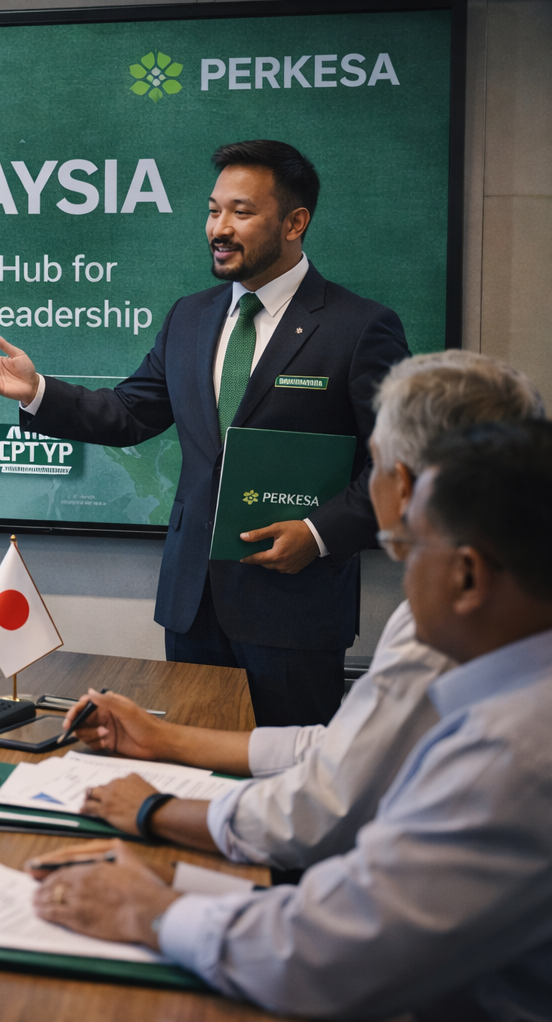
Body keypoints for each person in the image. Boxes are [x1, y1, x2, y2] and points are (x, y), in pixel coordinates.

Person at [29, 419, 552, 1021]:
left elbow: (326, 954)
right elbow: (338, 756)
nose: (403, 572)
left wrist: (144, 908)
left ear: (467, 577)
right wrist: (167, 757)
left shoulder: (513, 755)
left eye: (410, 546)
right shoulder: (501, 697)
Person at [0, 140, 410, 726]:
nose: (219, 229)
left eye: (241, 212)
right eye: (213, 210)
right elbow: (130, 413)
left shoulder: (360, 327)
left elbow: (400, 466)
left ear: (295, 223)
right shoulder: (190, 316)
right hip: (192, 605)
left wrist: (318, 533)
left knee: (287, 769)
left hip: (295, 608)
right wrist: (38, 392)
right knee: (189, 763)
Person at [56, 351, 543, 869]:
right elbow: (340, 749)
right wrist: (161, 738)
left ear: (400, 485)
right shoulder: (480, 614)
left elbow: (322, 812)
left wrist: (154, 811)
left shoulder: (440, 632)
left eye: (373, 463)